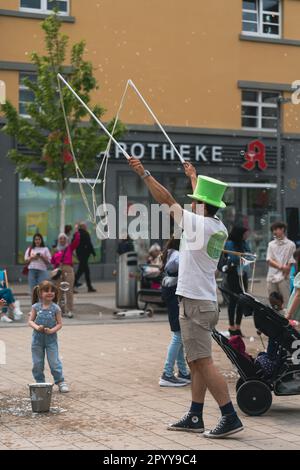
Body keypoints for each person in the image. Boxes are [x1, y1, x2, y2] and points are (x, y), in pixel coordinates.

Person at [128, 157, 243, 439]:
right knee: (195, 362)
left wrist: (144, 173)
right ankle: (195, 415)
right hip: (203, 301)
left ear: (202, 206)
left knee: (203, 362)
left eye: (196, 200)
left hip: (195, 303)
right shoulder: (216, 226)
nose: (192, 203)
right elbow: (200, 205)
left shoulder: (198, 226)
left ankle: (229, 416)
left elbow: (166, 198)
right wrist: (195, 178)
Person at [159, 235, 191, 387]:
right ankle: (167, 373)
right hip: (173, 297)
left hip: (172, 295)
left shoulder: (172, 253)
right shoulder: (177, 256)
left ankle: (183, 372)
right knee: (178, 335)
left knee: (179, 335)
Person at [28, 281, 69, 393]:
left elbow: (60, 324)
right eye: (46, 290)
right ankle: (40, 382)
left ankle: (60, 381)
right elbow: (30, 321)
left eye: (52, 291)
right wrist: (37, 327)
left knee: (54, 362)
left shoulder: (56, 308)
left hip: (51, 340)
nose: (50, 293)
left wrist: (51, 330)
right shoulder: (35, 307)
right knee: (37, 363)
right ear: (40, 293)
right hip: (37, 340)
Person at [224, 226, 251, 337]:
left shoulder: (244, 243)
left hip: (243, 274)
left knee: (242, 300)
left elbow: (249, 255)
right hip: (233, 275)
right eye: (245, 233)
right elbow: (233, 257)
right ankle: (231, 327)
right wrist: (243, 256)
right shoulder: (230, 243)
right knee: (233, 300)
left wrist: (243, 256)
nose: (246, 235)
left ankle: (238, 327)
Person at [51, 227, 80, 318]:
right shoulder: (55, 250)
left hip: (68, 269)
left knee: (68, 290)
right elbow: (52, 261)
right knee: (59, 291)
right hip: (58, 270)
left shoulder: (69, 248)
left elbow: (77, 241)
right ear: (58, 240)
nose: (62, 240)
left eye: (64, 238)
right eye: (61, 238)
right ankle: (60, 310)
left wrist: (76, 231)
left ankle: (69, 310)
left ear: (66, 240)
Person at [267, 222, 296, 307]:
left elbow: (291, 262)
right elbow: (269, 260)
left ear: (282, 229)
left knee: (286, 302)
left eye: (276, 229)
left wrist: (286, 273)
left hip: (284, 277)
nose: (274, 232)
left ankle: (286, 319)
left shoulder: (291, 245)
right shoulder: (271, 244)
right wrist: (282, 267)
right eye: (273, 230)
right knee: (273, 302)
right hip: (271, 277)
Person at [74, 223, 97, 293]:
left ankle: (89, 287)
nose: (86, 227)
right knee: (83, 271)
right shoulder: (85, 233)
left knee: (82, 270)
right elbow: (89, 244)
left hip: (79, 254)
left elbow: (73, 243)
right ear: (83, 227)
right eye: (85, 226)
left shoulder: (76, 234)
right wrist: (93, 253)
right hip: (84, 255)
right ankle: (73, 284)